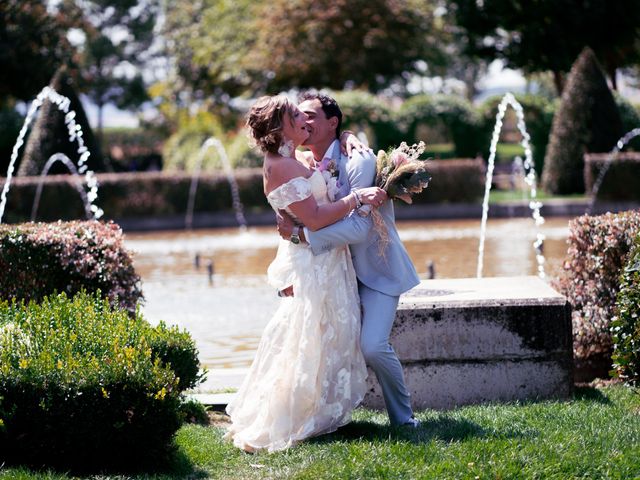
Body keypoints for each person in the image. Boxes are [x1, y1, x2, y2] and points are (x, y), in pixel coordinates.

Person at [224, 95, 387, 453]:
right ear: (280, 126)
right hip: (314, 263)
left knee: (326, 333)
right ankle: (291, 414)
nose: (303, 118)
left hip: (325, 258)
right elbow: (313, 218)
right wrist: (357, 199)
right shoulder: (281, 166)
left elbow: (322, 158)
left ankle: (317, 408)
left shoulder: (289, 158)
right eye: (295, 114)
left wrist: (347, 136)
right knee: (307, 336)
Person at [277, 91, 421, 427]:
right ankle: (318, 419)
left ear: (333, 122)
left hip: (376, 269)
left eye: (312, 115)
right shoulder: (300, 164)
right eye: (300, 116)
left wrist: (303, 238)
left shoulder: (359, 160)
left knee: (372, 346)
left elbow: (360, 228)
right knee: (314, 342)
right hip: (330, 272)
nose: (304, 121)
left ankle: (404, 420)